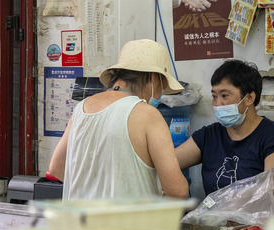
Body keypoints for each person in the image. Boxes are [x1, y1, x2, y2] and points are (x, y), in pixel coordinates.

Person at [48, 39, 190, 200]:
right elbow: (178, 191)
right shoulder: (147, 114)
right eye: (162, 86)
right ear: (153, 78)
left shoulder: (81, 108)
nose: (160, 93)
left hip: (78, 223)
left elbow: (56, 168)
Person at [175, 59, 274, 215]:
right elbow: (169, 163)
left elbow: (270, 192)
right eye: (214, 96)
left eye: (224, 96)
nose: (217, 104)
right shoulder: (209, 136)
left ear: (249, 98)